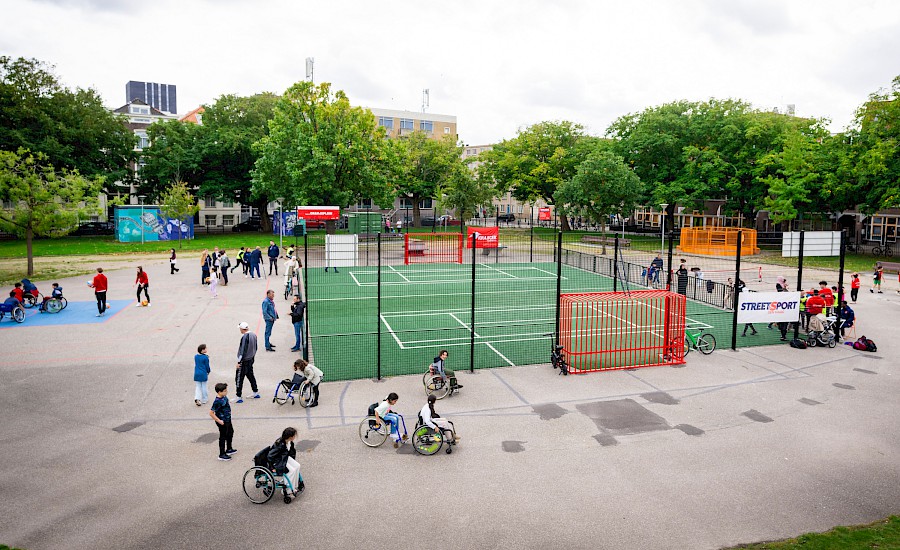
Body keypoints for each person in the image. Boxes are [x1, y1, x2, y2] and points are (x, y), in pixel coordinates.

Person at [267, 427, 304, 494]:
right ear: (290, 437)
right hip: (278, 461)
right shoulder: (279, 444)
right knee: (291, 471)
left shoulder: (289, 442)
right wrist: (272, 467)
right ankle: (287, 490)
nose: (295, 436)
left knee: (297, 466)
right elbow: (270, 456)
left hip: (284, 458)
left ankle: (294, 486)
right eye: (294, 435)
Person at [209, 382, 237, 461]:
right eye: (224, 391)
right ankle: (222, 454)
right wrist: (219, 421)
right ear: (219, 392)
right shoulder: (217, 401)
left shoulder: (224, 397)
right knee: (223, 437)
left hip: (228, 419)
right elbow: (211, 413)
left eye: (226, 390)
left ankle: (229, 449)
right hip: (222, 421)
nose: (226, 392)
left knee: (230, 432)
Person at [235, 321, 261, 403]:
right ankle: (255, 391)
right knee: (250, 375)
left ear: (242, 329)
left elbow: (242, 350)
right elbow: (256, 347)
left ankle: (238, 396)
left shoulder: (244, 337)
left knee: (239, 378)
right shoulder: (254, 335)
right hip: (251, 359)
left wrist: (239, 362)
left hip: (244, 361)